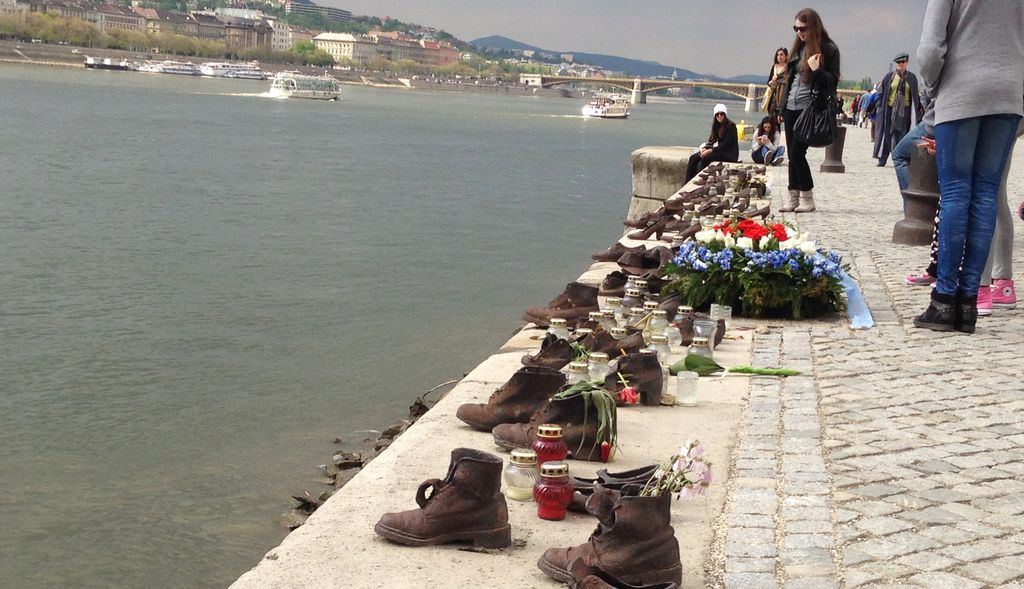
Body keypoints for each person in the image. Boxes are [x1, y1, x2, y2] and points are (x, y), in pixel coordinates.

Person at [912, 0, 1024, 334]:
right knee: (987, 193)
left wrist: (932, 90)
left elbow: (930, 51)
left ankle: (945, 299)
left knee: (956, 192)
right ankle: (970, 300)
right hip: (1008, 94)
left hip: (961, 90)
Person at [777, 7, 840, 214]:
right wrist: (781, 107)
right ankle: (793, 197)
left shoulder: (829, 49)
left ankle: (807, 197)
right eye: (795, 28)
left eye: (802, 28)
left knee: (797, 153)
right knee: (792, 155)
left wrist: (817, 70)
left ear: (813, 26)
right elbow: (790, 81)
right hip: (790, 108)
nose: (799, 33)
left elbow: (832, 82)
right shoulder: (798, 49)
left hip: (809, 110)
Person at [873, 52, 924, 167]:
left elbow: (915, 96)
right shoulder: (889, 76)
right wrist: (879, 105)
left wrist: (919, 108)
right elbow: (881, 92)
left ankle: (900, 158)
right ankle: (883, 158)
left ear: (907, 63)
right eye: (899, 62)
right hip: (889, 109)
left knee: (902, 135)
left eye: (903, 62)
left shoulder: (911, 78)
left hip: (905, 111)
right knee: (886, 134)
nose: (901, 64)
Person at [684, 103, 739, 183]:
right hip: (718, 151)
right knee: (693, 158)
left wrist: (710, 151)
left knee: (706, 158)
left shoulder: (731, 126)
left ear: (725, 114)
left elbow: (726, 144)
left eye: (721, 114)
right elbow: (711, 141)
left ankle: (702, 179)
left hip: (727, 154)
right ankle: (687, 181)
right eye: (717, 114)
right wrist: (705, 148)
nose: (719, 116)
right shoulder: (716, 126)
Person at [764, 47, 789, 118]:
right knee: (772, 118)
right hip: (774, 96)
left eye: (781, 55)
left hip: (784, 96)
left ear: (786, 56)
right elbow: (768, 82)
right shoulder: (774, 67)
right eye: (778, 55)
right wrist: (771, 82)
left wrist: (779, 80)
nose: (779, 57)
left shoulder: (789, 68)